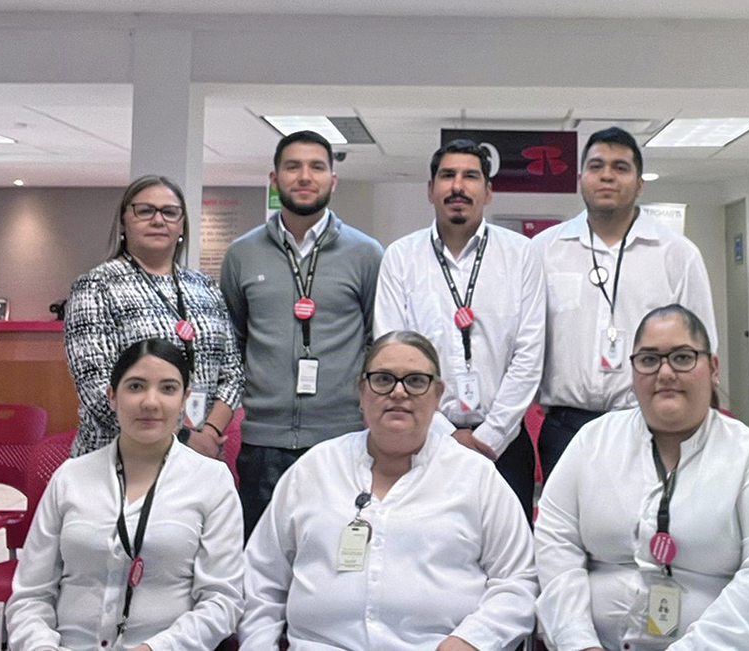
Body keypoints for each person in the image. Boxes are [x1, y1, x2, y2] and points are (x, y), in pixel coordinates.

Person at [534, 305, 749, 651]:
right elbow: (555, 546)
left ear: (712, 368)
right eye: (649, 360)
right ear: (633, 371)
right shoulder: (592, 443)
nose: (665, 373)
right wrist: (578, 642)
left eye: (682, 357)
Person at [239, 331, 539, 651]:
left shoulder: (476, 477)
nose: (398, 392)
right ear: (361, 392)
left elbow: (518, 581)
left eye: (416, 381)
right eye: (383, 379)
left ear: (438, 395)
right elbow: (261, 580)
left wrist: (472, 640)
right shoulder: (314, 469)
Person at [6, 338, 244, 651]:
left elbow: (222, 602)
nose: (150, 402)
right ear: (112, 396)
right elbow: (30, 596)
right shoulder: (70, 477)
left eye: (168, 388)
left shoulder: (212, 481)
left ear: (184, 400)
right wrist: (41, 647)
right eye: (135, 387)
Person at [221, 130, 383, 537]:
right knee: (260, 557)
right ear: (274, 179)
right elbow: (233, 343)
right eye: (293, 167)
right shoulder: (242, 254)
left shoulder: (366, 254)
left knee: (338, 554)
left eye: (317, 167)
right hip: (263, 443)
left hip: (342, 439)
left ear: (333, 180)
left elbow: (376, 342)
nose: (305, 176)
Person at [531, 127, 716, 480]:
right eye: (596, 166)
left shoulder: (677, 254)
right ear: (580, 178)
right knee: (569, 517)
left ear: (640, 183)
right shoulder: (543, 250)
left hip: (651, 424)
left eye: (620, 167)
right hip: (566, 427)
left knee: (651, 515)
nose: (607, 176)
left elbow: (701, 350)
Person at [374, 138, 545, 520]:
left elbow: (529, 354)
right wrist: (446, 436)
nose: (457, 186)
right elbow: (391, 354)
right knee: (424, 547)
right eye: (447, 175)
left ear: (488, 191)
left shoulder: (521, 255)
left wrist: (490, 436)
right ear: (430, 189)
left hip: (503, 446)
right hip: (421, 441)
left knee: (507, 551)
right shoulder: (401, 258)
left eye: (470, 176)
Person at [65, 175, 243, 459]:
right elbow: (96, 388)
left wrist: (209, 432)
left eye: (169, 212)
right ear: (124, 221)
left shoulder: (205, 287)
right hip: (119, 458)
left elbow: (232, 374)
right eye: (145, 210)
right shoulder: (96, 286)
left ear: (182, 225)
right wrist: (183, 438)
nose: (158, 220)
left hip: (198, 459)